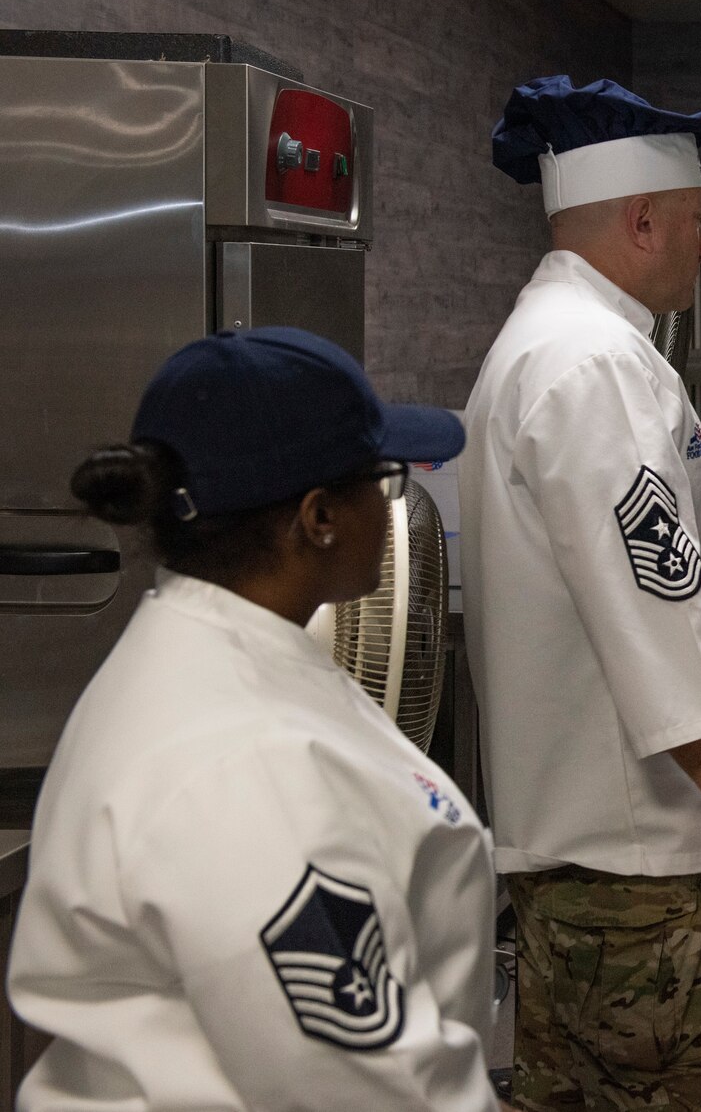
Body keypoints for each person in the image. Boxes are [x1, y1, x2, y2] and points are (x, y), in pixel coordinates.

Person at [7, 328, 500, 1110]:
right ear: (319, 517)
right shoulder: (245, 766)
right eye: (384, 477)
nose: (393, 502)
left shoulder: (198, 653)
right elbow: (364, 1085)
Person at [462, 75, 701, 1112]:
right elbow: (653, 598)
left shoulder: (536, 344)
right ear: (642, 218)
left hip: (572, 843)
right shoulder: (595, 363)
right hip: (633, 855)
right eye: (695, 225)